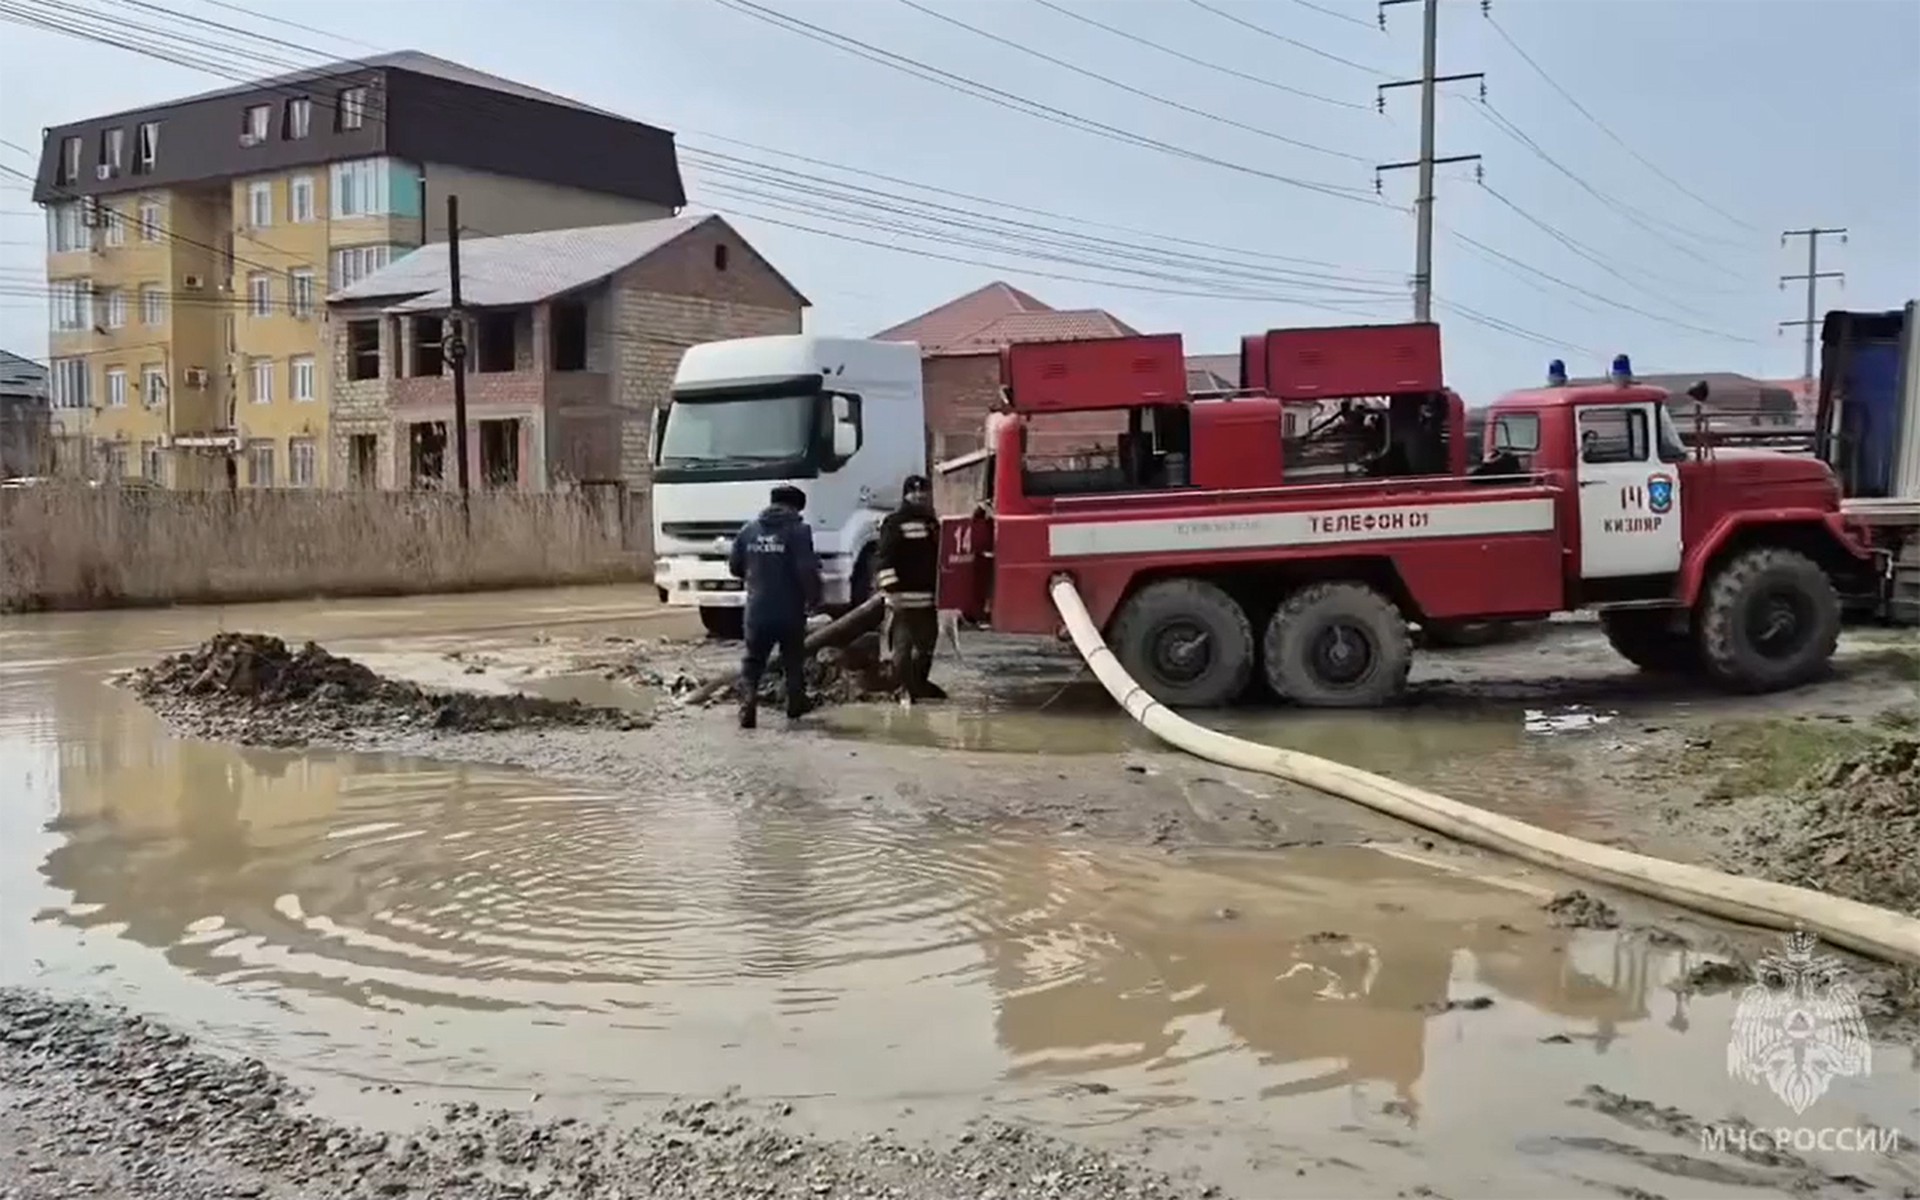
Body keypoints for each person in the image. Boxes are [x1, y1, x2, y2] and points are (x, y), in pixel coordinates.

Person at [727, 484, 821, 729]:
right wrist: (814, 598)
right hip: (790, 609)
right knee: (792, 659)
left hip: (757, 609)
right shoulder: (799, 531)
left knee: (753, 660)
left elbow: (735, 567)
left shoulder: (749, 530)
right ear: (796, 507)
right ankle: (795, 704)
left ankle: (748, 701)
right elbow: (806, 569)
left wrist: (756, 575)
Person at [871, 473, 946, 703]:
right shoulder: (894, 523)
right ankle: (901, 689)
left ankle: (918, 687)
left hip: (928, 600)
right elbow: (883, 560)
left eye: (923, 491)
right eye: (914, 492)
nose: (919, 496)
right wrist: (891, 591)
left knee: (926, 648)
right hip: (902, 600)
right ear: (906, 495)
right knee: (902, 649)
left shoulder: (932, 524)